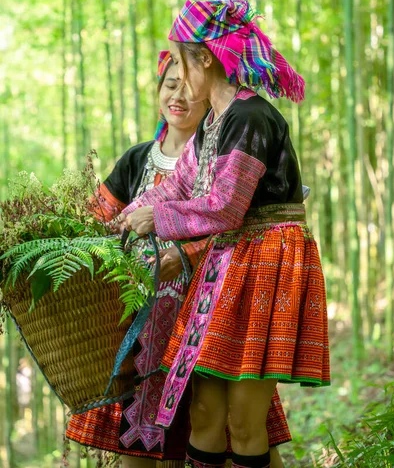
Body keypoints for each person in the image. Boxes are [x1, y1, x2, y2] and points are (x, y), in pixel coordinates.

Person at [118, 0, 330, 468]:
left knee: (245, 422)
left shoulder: (250, 116)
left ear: (204, 59)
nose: (173, 70)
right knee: (205, 411)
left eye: (177, 58)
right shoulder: (213, 120)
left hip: (269, 262)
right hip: (227, 265)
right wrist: (112, 225)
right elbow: (174, 184)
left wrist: (157, 220)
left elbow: (225, 207)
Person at [66, 51, 292, 468]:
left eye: (187, 83)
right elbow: (110, 213)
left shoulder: (243, 123)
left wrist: (177, 246)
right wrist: (74, 242)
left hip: (228, 285)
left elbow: (227, 212)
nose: (180, 93)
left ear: (207, 73)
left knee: (239, 423)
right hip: (158, 313)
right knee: (177, 422)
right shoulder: (143, 157)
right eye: (171, 85)